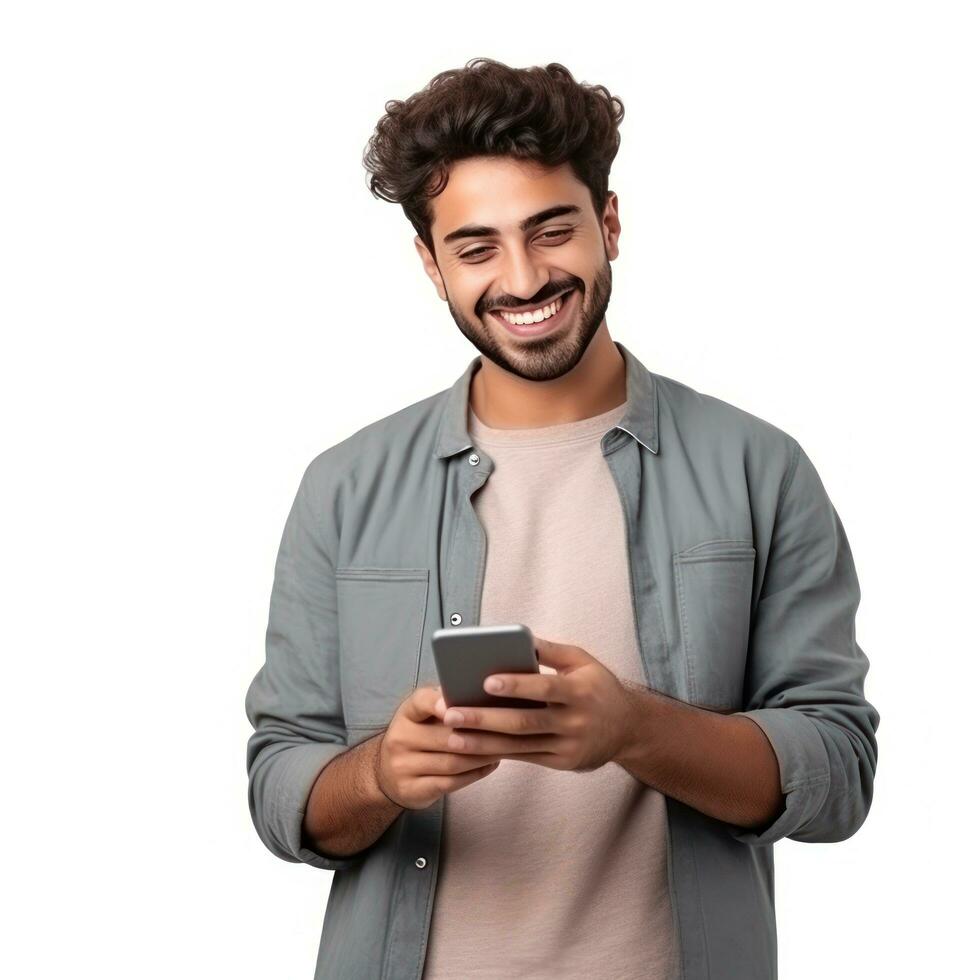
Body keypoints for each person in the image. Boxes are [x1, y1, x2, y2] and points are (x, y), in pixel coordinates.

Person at [245, 58, 879, 980]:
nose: (524, 277)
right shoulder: (343, 487)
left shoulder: (759, 469)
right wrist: (381, 774)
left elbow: (838, 772)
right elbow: (279, 786)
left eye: (552, 231)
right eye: (476, 248)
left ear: (608, 225)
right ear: (431, 264)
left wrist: (632, 730)